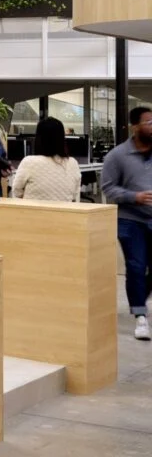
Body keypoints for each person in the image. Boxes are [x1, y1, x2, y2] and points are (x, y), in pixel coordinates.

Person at [101, 106, 152, 341]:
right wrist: (135, 196)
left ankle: (139, 297)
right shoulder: (117, 156)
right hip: (130, 220)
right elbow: (108, 189)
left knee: (143, 272)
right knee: (135, 266)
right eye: (148, 122)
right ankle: (140, 316)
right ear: (135, 126)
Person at [11, 117, 81, 202]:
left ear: (39, 138)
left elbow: (16, 191)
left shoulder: (29, 162)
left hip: (33, 213)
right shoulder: (73, 163)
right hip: (65, 213)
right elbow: (75, 195)